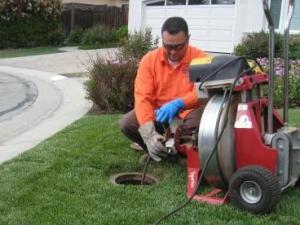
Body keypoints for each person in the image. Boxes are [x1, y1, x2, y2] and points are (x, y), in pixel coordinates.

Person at [119, 16, 208, 162]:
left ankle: (181, 155)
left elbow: (204, 91)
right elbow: (143, 97)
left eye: (178, 47)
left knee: (198, 125)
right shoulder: (149, 60)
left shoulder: (201, 59)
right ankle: (155, 149)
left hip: (187, 113)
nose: (173, 52)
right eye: (168, 46)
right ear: (162, 40)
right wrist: (149, 134)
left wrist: (180, 103)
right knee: (127, 123)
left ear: (188, 39)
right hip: (159, 115)